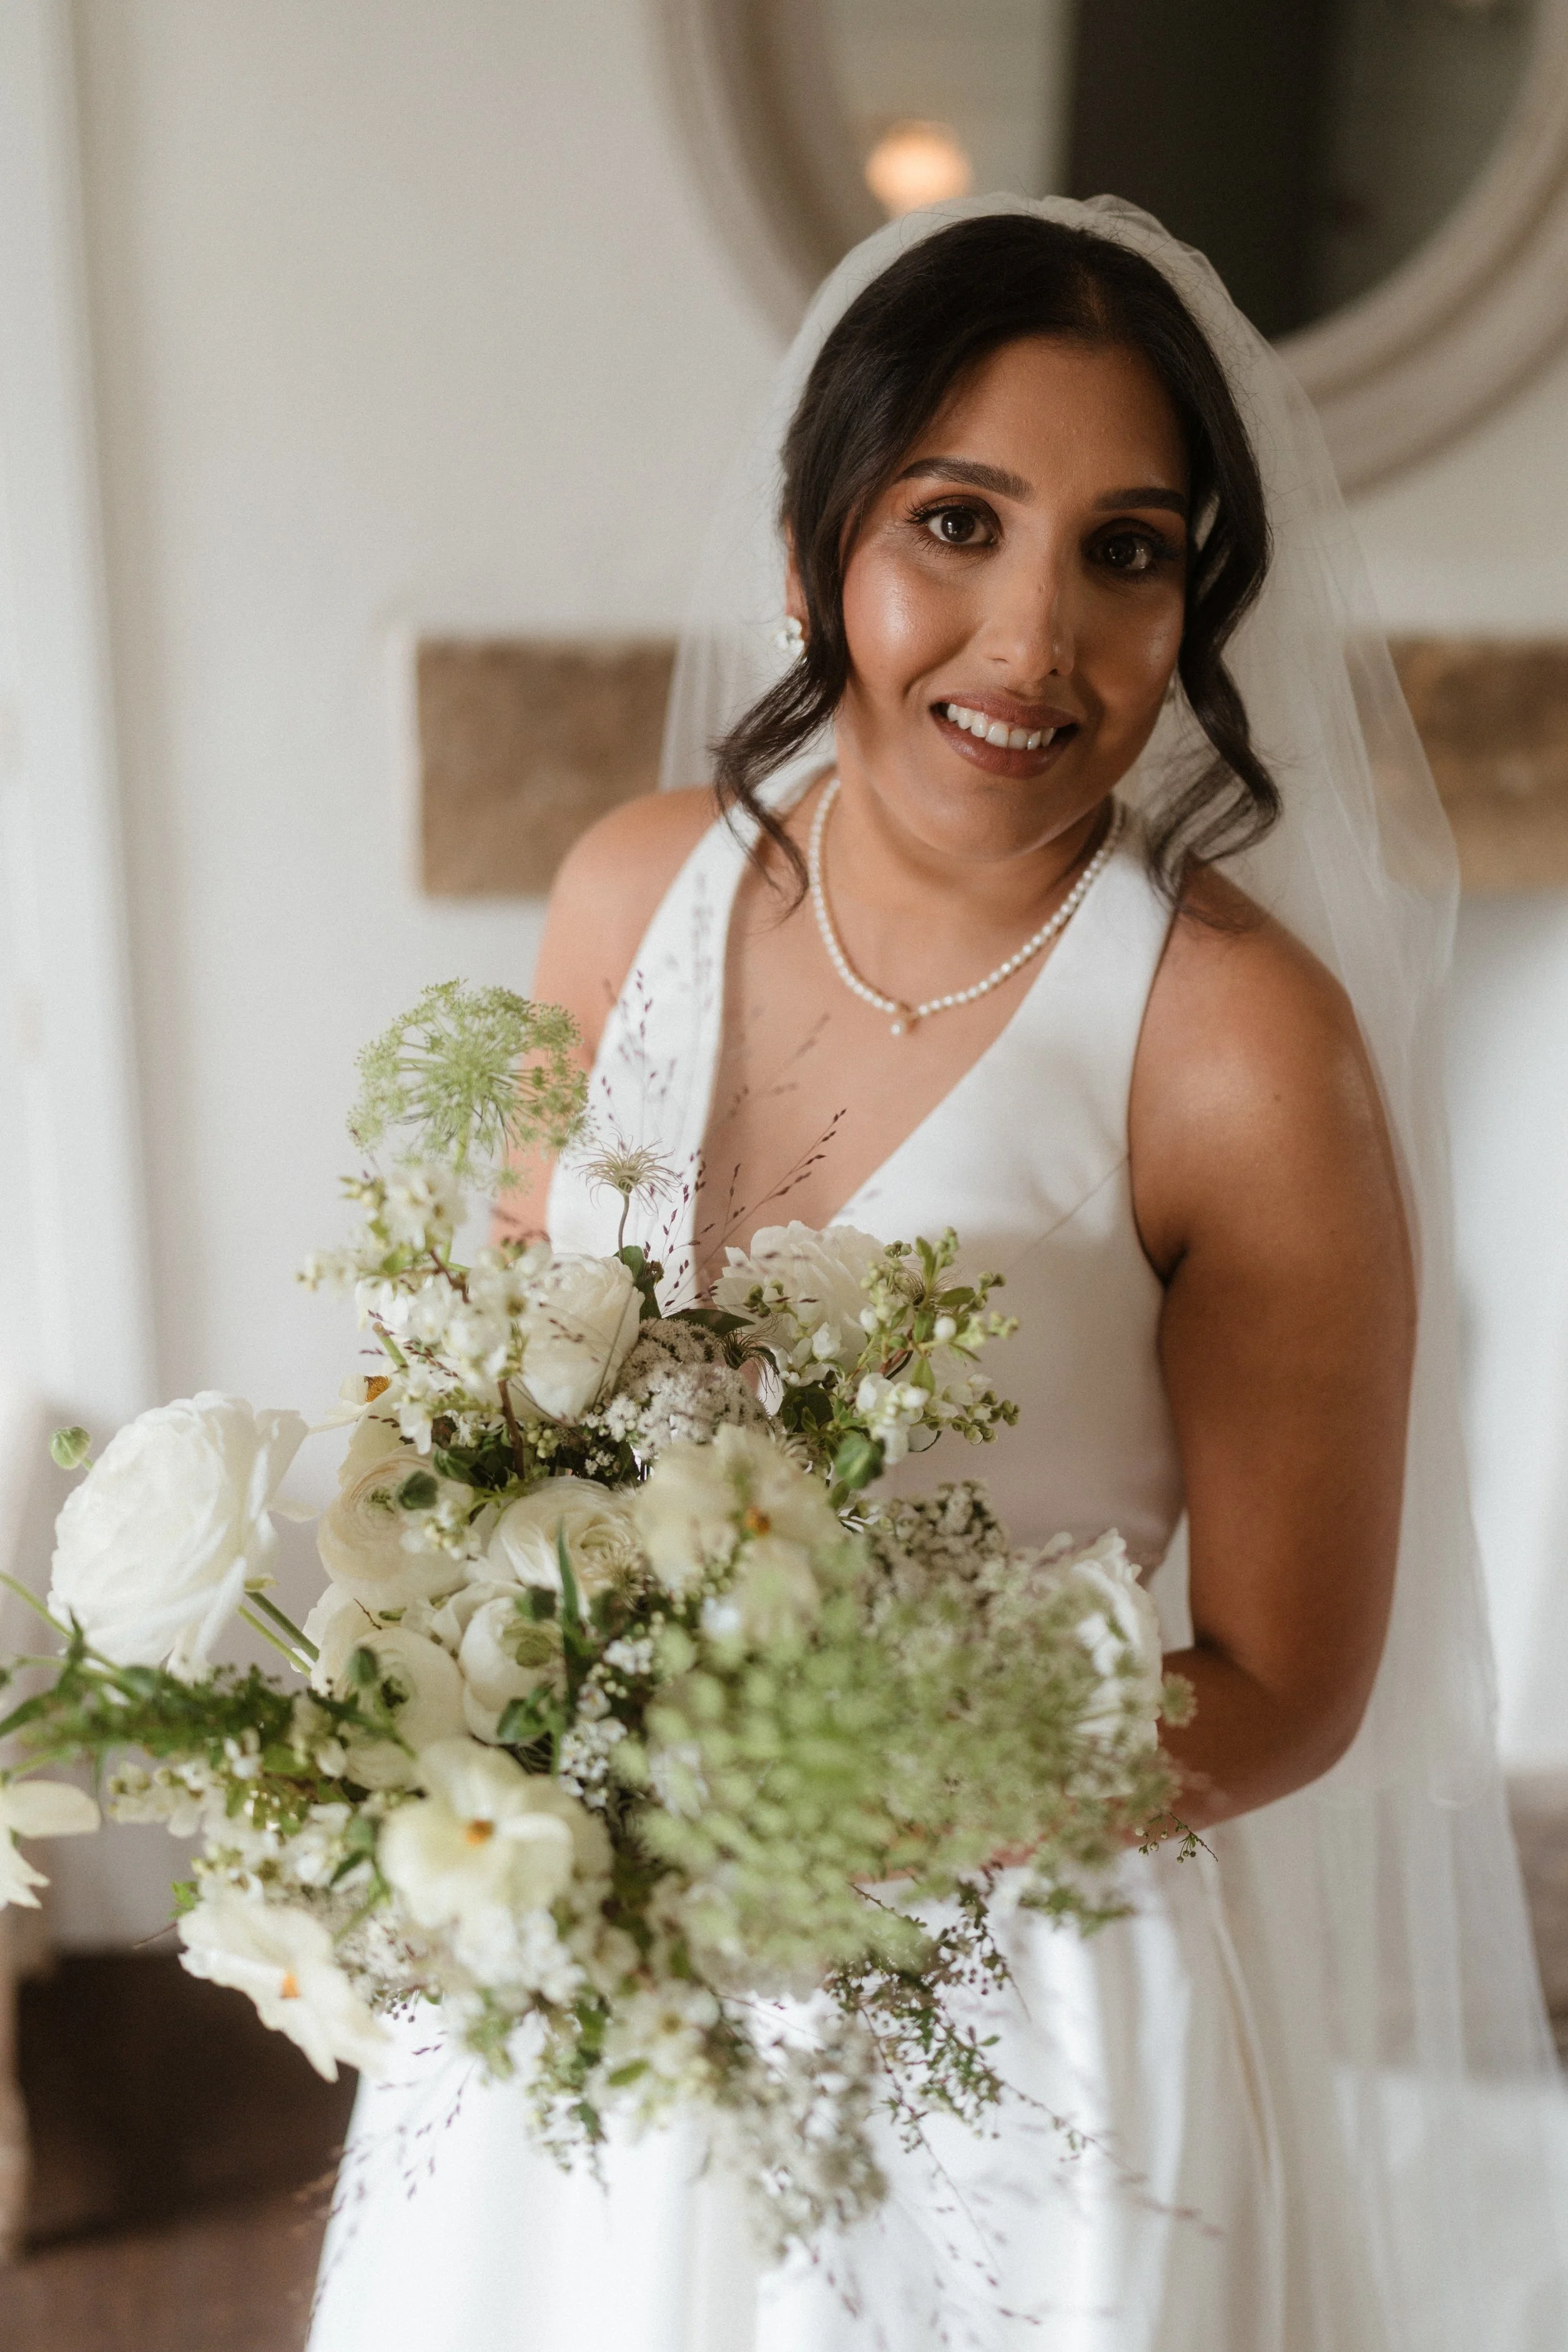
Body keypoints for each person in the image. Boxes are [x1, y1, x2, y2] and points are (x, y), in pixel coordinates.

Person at [309, 198, 1567, 2352]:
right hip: (586, 1950)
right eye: (956, 523)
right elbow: (487, 1415)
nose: (1033, 640)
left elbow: (1288, 1680)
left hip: (1010, 2051)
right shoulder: (628, 891)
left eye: (1125, 551)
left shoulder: (1237, 1046)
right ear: (817, 550)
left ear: (1193, 607)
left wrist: (862, 1796)